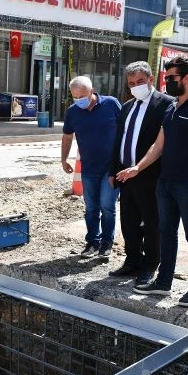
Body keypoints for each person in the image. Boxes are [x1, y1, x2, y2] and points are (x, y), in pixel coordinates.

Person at [116, 56, 188, 305]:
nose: (167, 82)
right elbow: (159, 145)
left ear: (186, 78)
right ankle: (164, 282)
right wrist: (137, 168)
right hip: (165, 182)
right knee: (167, 232)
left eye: (171, 78)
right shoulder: (172, 106)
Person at [108, 61, 174, 286]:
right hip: (125, 175)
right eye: (131, 83)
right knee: (129, 222)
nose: (136, 86)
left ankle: (150, 264)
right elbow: (119, 140)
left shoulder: (166, 104)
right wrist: (113, 170)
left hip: (151, 175)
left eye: (140, 82)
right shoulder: (127, 106)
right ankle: (132, 260)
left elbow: (164, 144)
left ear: (151, 79)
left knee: (152, 222)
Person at [61, 76, 121, 258]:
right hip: (88, 168)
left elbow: (125, 130)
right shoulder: (72, 112)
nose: (79, 100)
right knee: (91, 208)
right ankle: (92, 243)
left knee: (107, 206)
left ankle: (106, 243)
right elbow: (67, 136)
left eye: (82, 96)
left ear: (92, 90)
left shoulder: (111, 104)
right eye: (75, 97)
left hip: (111, 168)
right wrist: (63, 159)